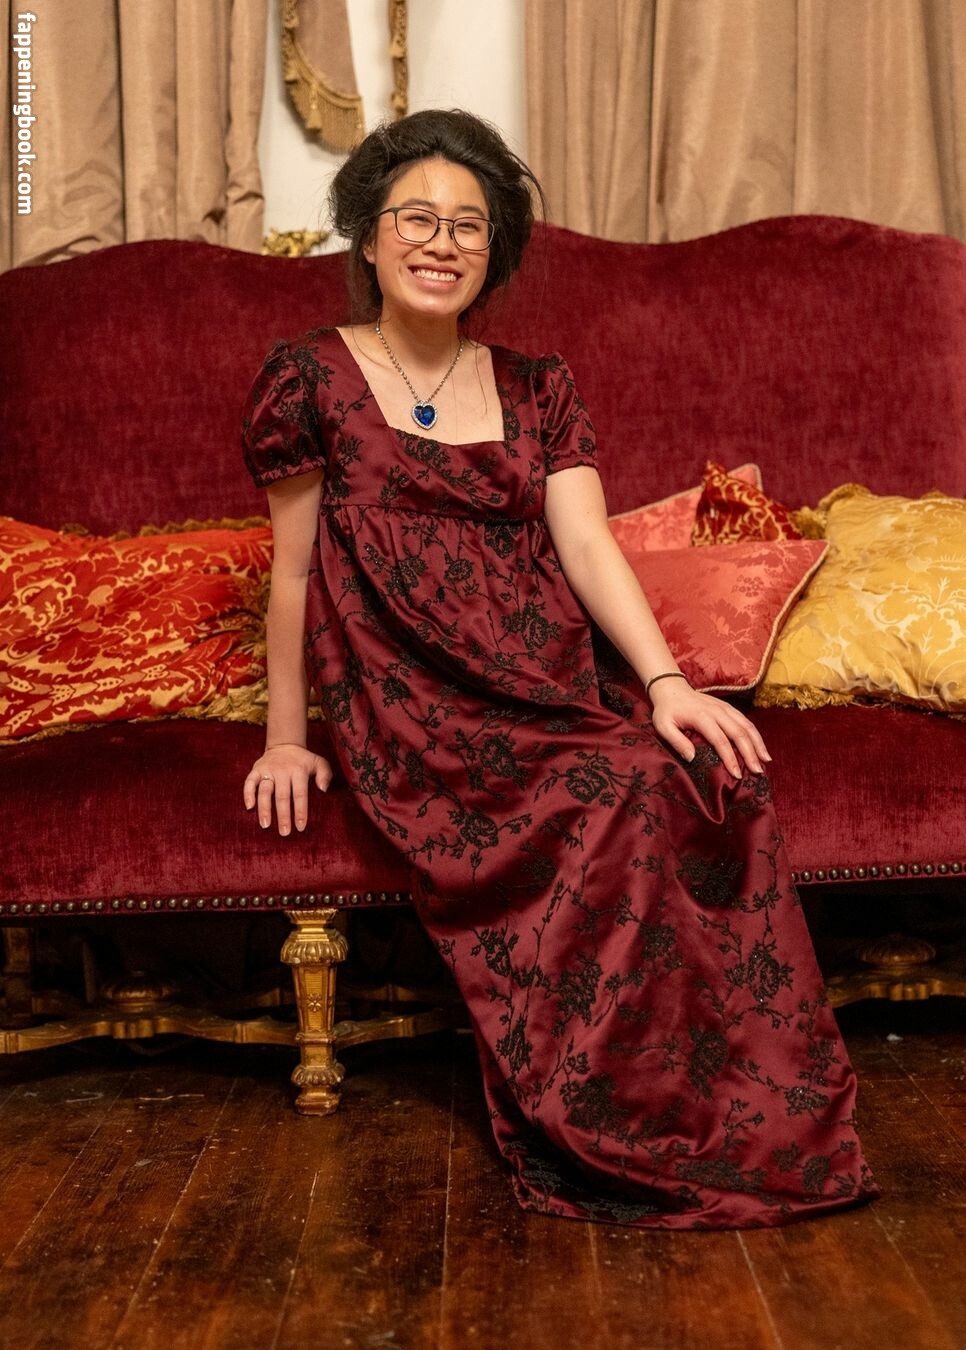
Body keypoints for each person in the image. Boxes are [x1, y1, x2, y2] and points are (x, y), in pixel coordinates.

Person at [239, 108, 879, 1229]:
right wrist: (286, 740)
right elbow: (291, 574)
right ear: (370, 236)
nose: (441, 243)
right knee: (618, 790)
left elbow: (586, 548)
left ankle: (730, 1117)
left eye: (468, 226)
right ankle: (606, 1122)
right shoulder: (308, 377)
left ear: (494, 253)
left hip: (545, 680)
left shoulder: (539, 387)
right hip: (413, 706)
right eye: (416, 219)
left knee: (700, 775)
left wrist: (668, 684)